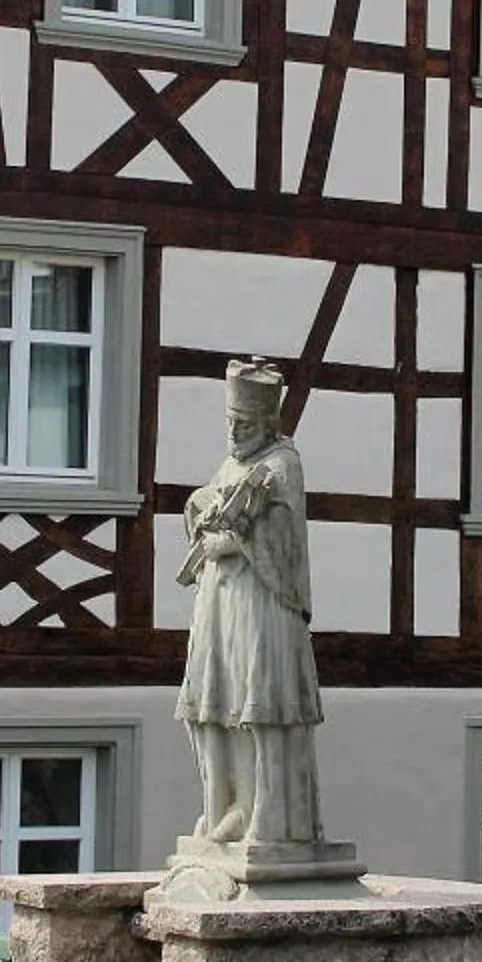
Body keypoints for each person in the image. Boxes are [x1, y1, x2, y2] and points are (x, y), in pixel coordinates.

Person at [174, 358, 324, 848]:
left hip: (261, 608)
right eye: (230, 423)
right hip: (218, 606)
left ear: (266, 424)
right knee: (214, 708)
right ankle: (222, 808)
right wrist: (199, 512)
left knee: (255, 709)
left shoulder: (282, 465)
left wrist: (238, 536)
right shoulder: (230, 465)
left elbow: (284, 543)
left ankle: (266, 815)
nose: (234, 433)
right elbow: (207, 511)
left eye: (243, 424)